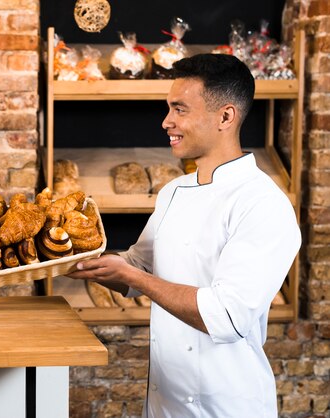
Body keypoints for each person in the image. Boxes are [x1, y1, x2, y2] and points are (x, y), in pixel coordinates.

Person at [69, 54, 301, 417]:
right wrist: (58, 257)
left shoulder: (264, 204)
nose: (166, 122)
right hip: (164, 405)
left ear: (225, 117)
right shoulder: (173, 191)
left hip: (225, 406)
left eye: (179, 109)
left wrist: (135, 277)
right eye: (168, 108)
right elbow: (135, 266)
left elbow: (225, 316)